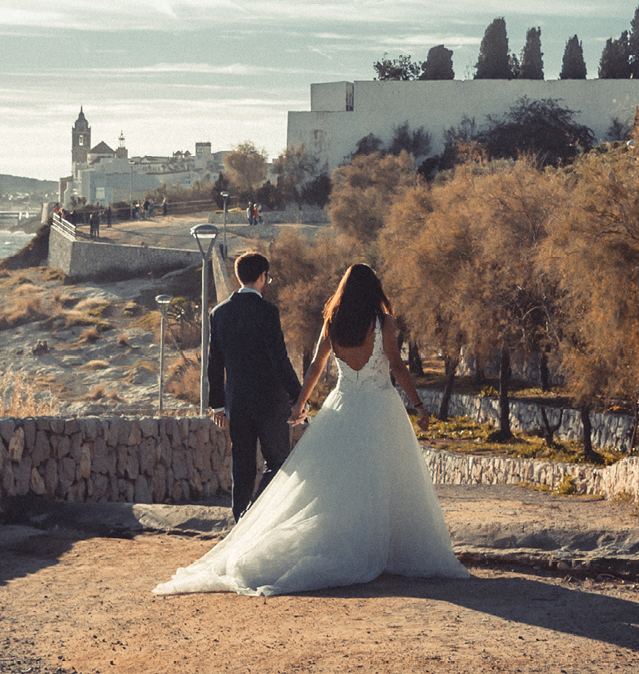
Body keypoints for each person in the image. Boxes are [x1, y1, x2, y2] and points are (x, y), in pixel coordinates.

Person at [155, 263, 468, 597]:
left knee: (337, 480)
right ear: (373, 289)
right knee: (386, 476)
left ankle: (344, 542)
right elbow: (397, 367)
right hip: (380, 407)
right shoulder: (382, 323)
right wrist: (418, 406)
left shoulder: (332, 322)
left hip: (343, 406)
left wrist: (300, 404)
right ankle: (381, 548)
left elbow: (316, 367)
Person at [200, 252, 301, 522]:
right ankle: (251, 516)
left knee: (242, 468)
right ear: (262, 277)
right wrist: (298, 396)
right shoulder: (268, 312)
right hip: (270, 404)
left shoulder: (218, 313)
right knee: (278, 464)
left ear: (239, 276)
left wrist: (218, 404)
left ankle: (239, 524)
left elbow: (214, 362)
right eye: (268, 277)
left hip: (237, 405)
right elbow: (280, 360)